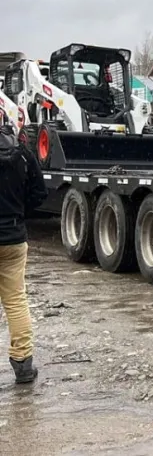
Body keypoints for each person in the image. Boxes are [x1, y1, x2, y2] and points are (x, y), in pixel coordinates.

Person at [0, 123, 47, 384]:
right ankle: (23, 365)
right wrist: (18, 212)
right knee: (16, 301)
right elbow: (39, 193)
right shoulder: (23, 154)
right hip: (13, 237)